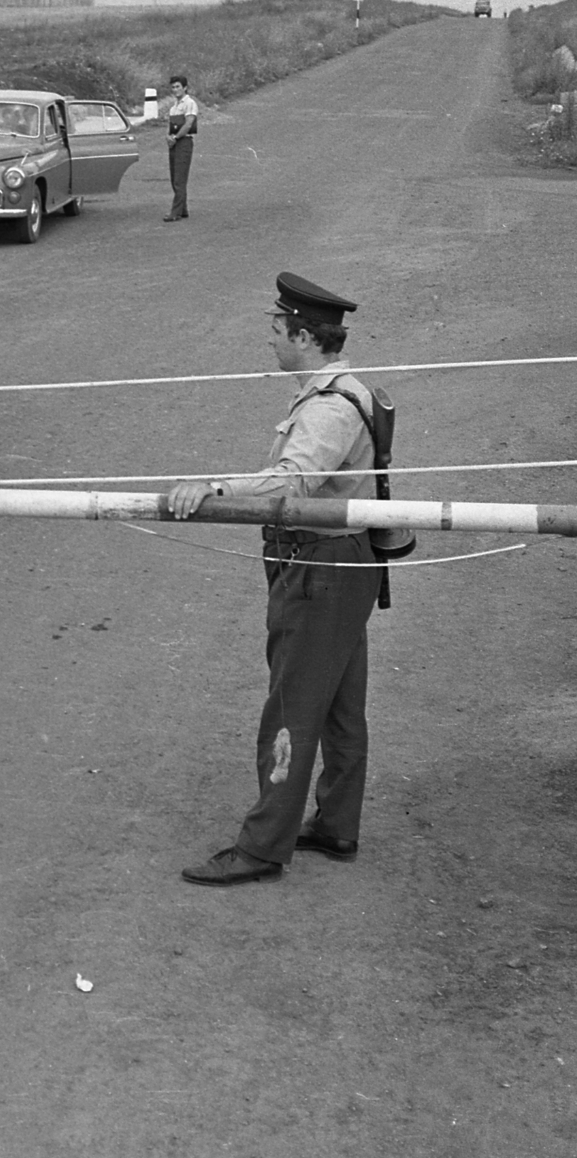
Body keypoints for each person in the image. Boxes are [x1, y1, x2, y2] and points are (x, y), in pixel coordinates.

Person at [168, 273, 382, 887]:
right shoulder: (342, 391)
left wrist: (213, 488)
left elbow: (291, 482)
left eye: (276, 328)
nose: (269, 337)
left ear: (305, 336)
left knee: (291, 705)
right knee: (341, 706)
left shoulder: (328, 409)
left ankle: (262, 847)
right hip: (342, 566)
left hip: (320, 568)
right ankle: (336, 824)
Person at [163, 74, 199, 222]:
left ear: (184, 87)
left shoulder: (189, 103)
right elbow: (170, 126)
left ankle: (175, 212)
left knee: (179, 179)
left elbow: (188, 124)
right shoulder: (174, 107)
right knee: (174, 177)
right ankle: (182, 209)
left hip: (184, 142)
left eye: (178, 86)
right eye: (173, 87)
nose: (175, 89)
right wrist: (169, 137)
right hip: (175, 143)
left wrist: (176, 137)